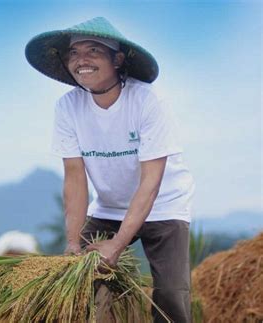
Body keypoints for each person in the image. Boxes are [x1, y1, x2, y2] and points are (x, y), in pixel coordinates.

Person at [25, 17, 195, 322]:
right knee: (75, 279)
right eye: (74, 53)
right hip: (108, 208)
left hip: (164, 206)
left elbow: (151, 182)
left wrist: (117, 245)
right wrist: (74, 242)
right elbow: (75, 179)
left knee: (171, 294)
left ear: (117, 59)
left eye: (93, 50)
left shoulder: (148, 101)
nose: (81, 60)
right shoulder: (67, 107)